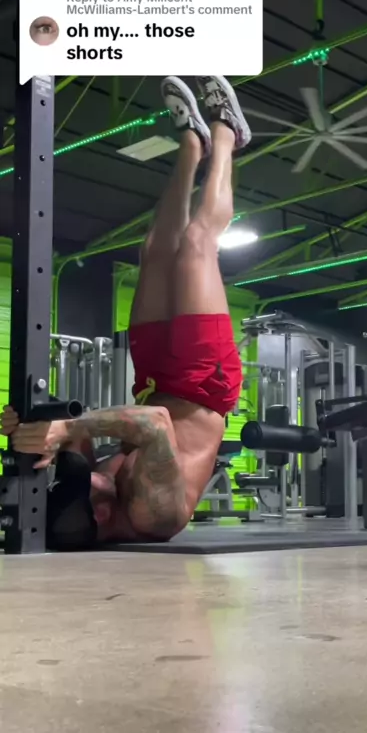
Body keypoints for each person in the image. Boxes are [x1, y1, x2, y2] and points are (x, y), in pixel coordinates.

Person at [0, 75, 252, 549]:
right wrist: (68, 429)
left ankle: (192, 144)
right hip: (201, 388)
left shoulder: (98, 493)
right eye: (89, 483)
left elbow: (70, 435)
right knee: (196, 245)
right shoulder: (154, 514)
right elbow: (155, 424)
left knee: (154, 250)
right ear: (101, 512)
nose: (92, 475)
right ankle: (226, 133)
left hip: (155, 381)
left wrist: (27, 425)